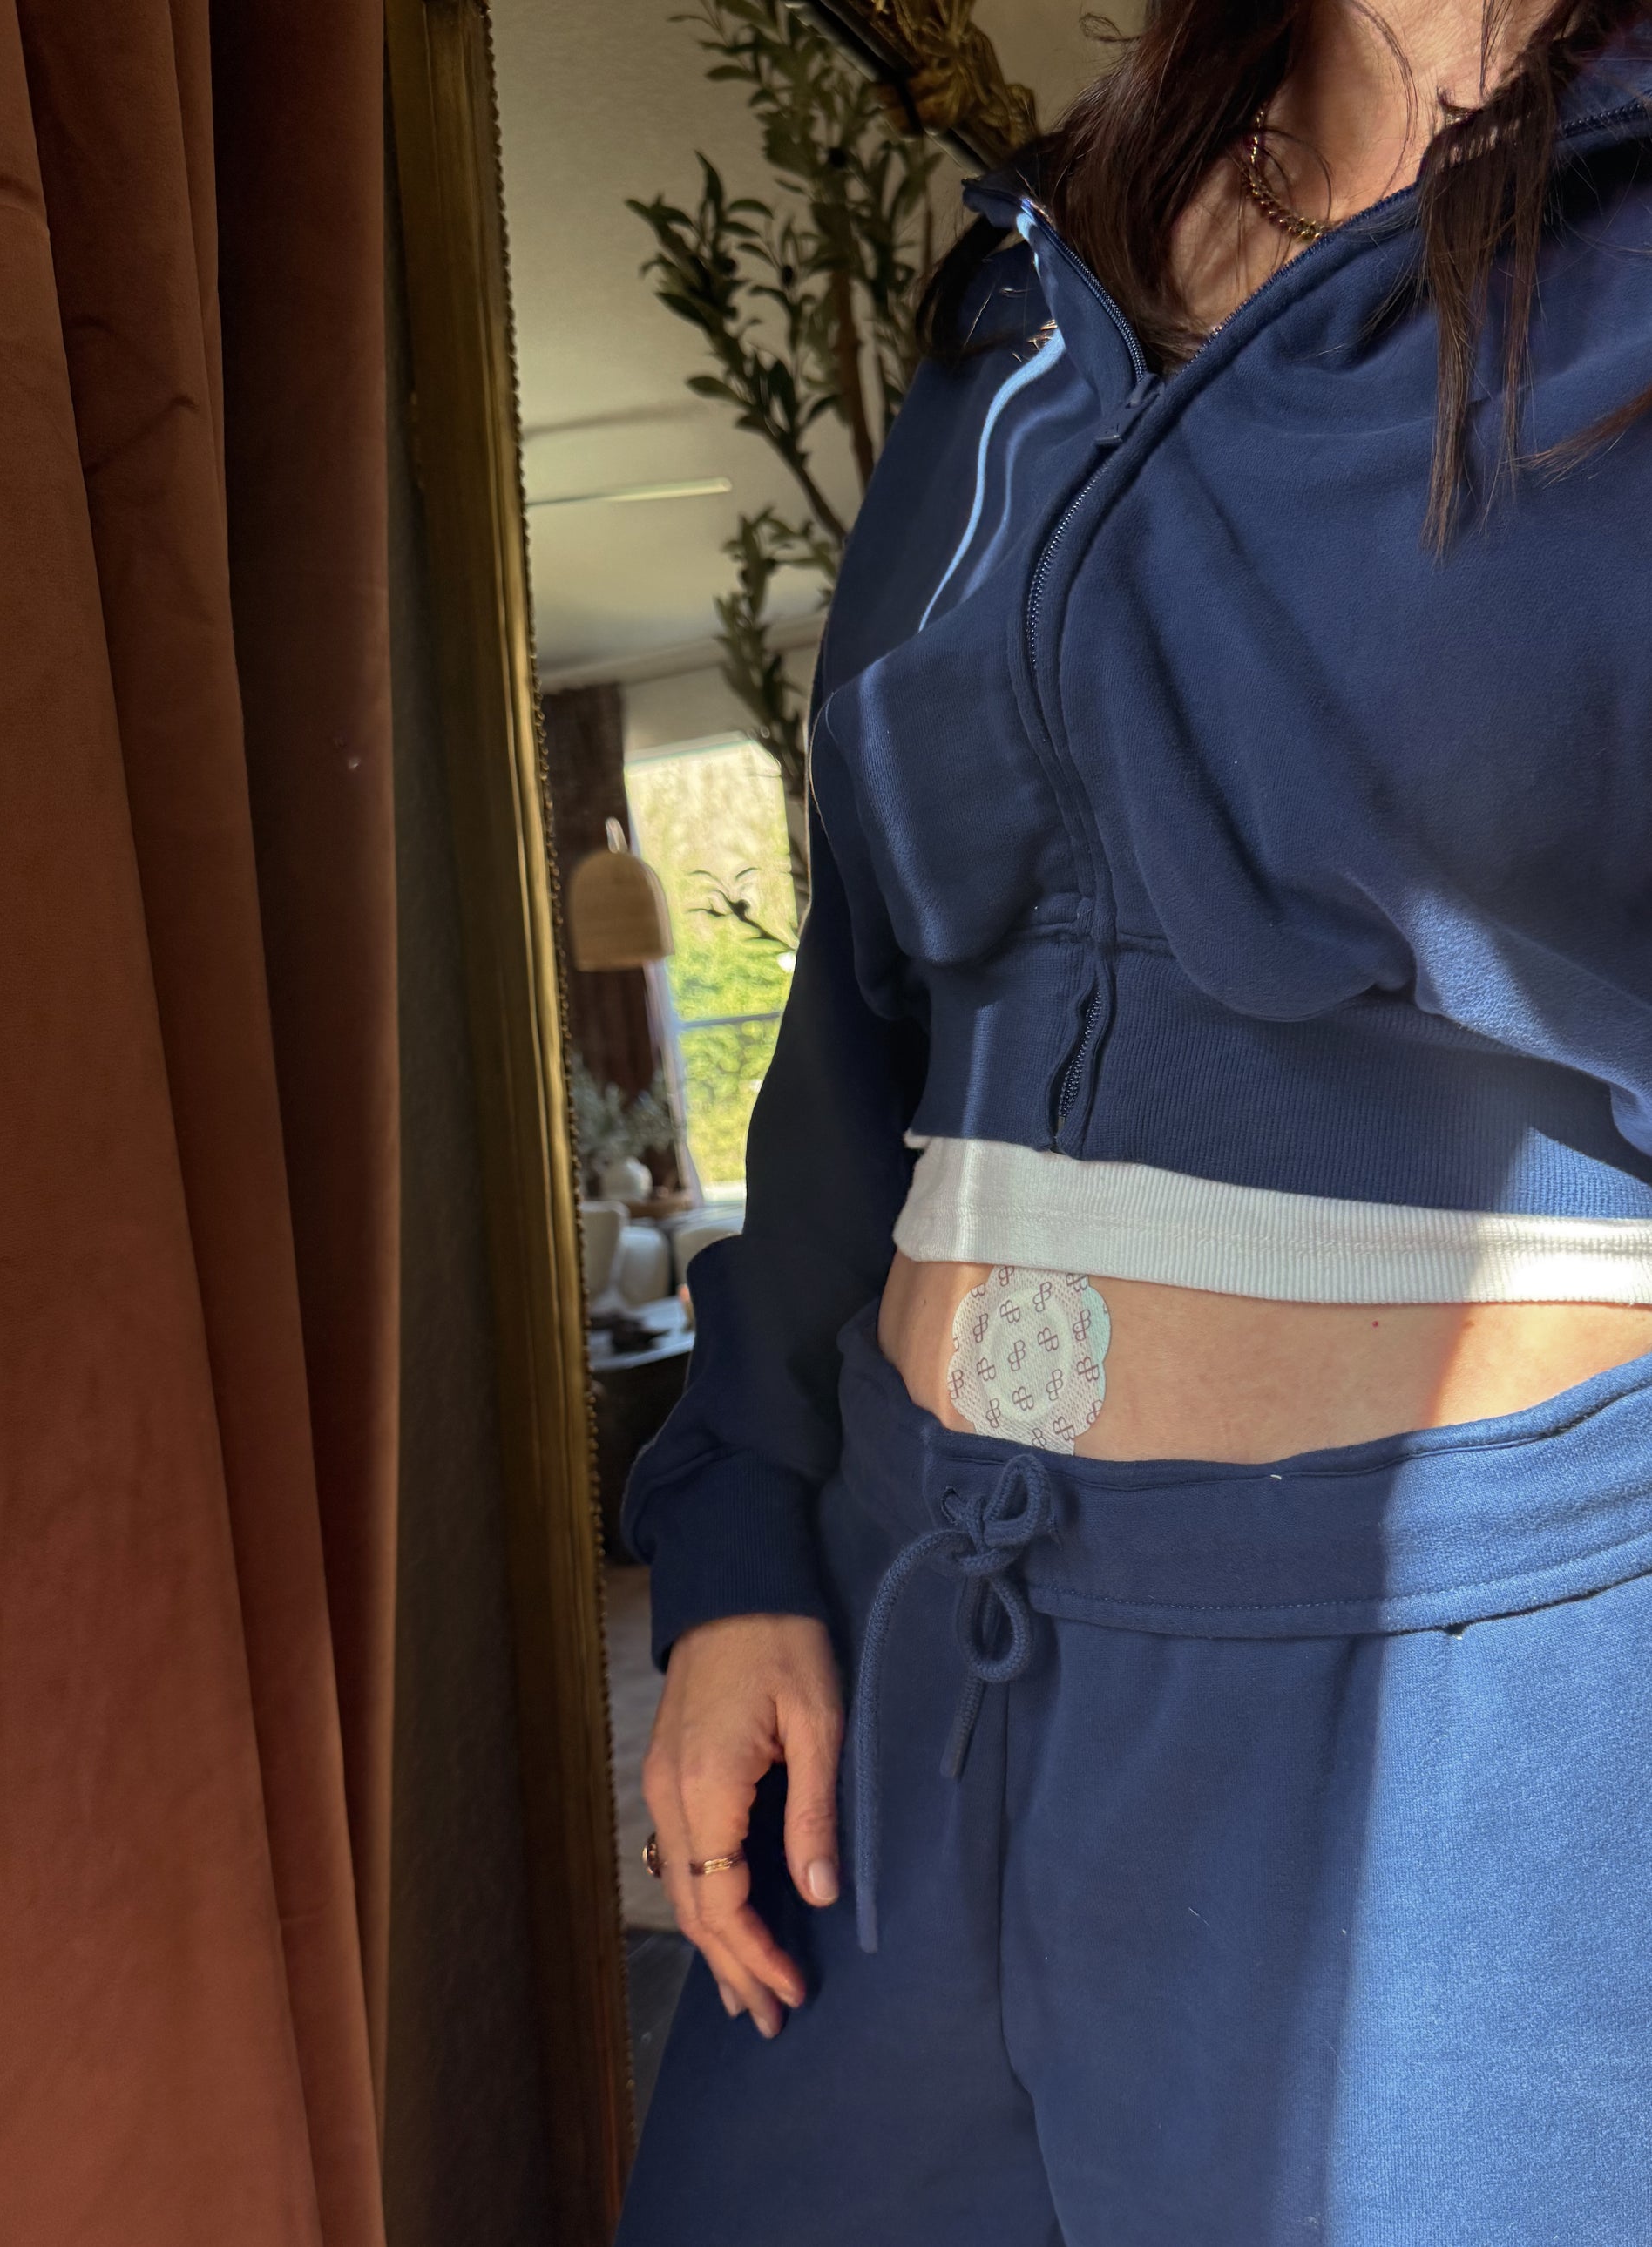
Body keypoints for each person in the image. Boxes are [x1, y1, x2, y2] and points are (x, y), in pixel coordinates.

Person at [616, 3, 1652, 2237]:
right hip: (909, 1626)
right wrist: (741, 1537)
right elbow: (866, 998)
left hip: (1488, 1714)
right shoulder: (1040, 267)